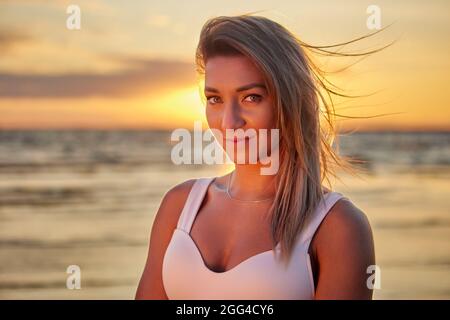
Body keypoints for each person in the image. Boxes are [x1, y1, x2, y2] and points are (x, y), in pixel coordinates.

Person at [135, 14, 375, 300]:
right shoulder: (180, 206)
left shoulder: (337, 227)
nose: (229, 121)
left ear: (290, 101)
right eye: (215, 99)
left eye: (251, 97)